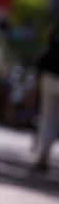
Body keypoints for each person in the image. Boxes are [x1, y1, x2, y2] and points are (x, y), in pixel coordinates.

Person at [34, 19, 59, 171]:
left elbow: (47, 43)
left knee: (47, 120)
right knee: (52, 121)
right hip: (49, 75)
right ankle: (44, 154)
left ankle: (44, 154)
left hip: (48, 75)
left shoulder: (55, 28)